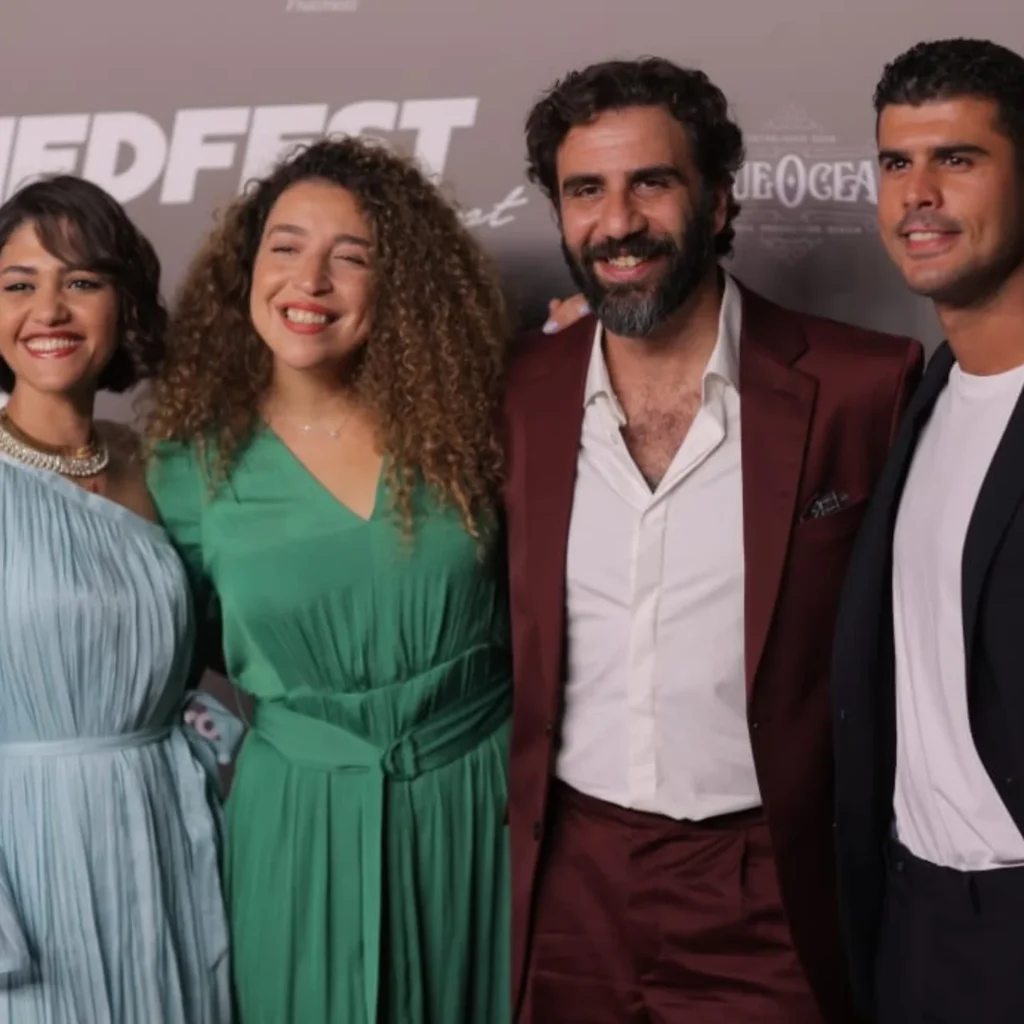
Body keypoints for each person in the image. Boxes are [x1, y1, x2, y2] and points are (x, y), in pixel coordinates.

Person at [503, 57, 924, 1023]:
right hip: (571, 882)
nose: (617, 223)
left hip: (771, 885)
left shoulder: (863, 386)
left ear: (719, 197)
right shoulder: (518, 390)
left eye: (650, 182)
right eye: (585, 191)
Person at [144, 136, 513, 1024]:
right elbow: (165, 662)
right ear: (247, 271)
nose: (309, 280)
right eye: (286, 247)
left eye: (351, 257)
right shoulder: (184, 470)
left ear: (400, 286)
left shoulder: (479, 426)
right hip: (297, 818)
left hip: (481, 805)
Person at [0, 175, 233, 1022]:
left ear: (123, 303)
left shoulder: (155, 462)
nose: (49, 310)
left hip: (166, 832)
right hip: (31, 856)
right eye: (18, 284)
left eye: (82, 280)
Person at [831, 38, 1024, 1024]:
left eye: (957, 158)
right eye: (895, 162)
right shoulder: (927, 393)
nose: (918, 194)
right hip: (912, 921)